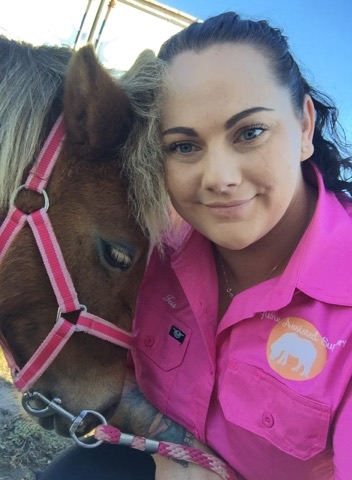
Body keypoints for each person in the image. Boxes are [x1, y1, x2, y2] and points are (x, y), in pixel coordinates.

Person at [38, 11, 352, 480]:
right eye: (184, 146)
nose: (220, 179)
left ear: (304, 127)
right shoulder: (149, 251)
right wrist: (178, 462)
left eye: (250, 132)